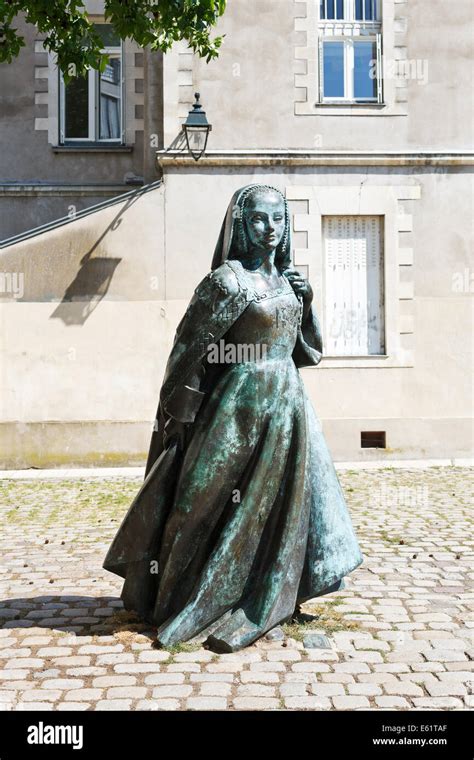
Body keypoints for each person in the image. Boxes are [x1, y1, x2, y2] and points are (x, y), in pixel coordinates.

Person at [102, 183, 364, 653]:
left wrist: (310, 303)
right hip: (235, 405)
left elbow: (306, 352)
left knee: (281, 507)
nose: (270, 229)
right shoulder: (226, 282)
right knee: (197, 501)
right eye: (260, 219)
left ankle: (267, 594)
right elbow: (188, 352)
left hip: (286, 405)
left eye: (278, 219)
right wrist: (177, 419)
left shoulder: (289, 282)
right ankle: (175, 594)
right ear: (241, 224)